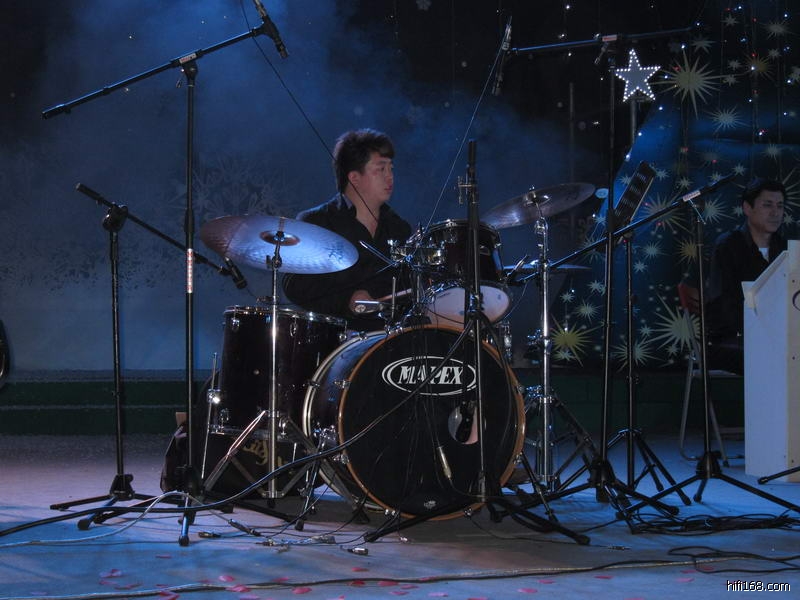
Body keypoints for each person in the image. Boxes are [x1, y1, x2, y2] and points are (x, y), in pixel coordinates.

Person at [283, 129, 413, 331]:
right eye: (381, 169)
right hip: (334, 337)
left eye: (391, 168)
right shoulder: (317, 222)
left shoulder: (399, 229)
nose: (390, 177)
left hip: (389, 337)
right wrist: (347, 299)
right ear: (354, 177)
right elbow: (295, 285)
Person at [704, 177, 787, 374]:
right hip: (732, 339)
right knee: (774, 355)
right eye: (767, 205)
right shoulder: (728, 246)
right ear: (747, 208)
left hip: (778, 337)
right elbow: (722, 305)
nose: (775, 212)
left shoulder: (785, 248)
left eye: (780, 206)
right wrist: (761, 329)